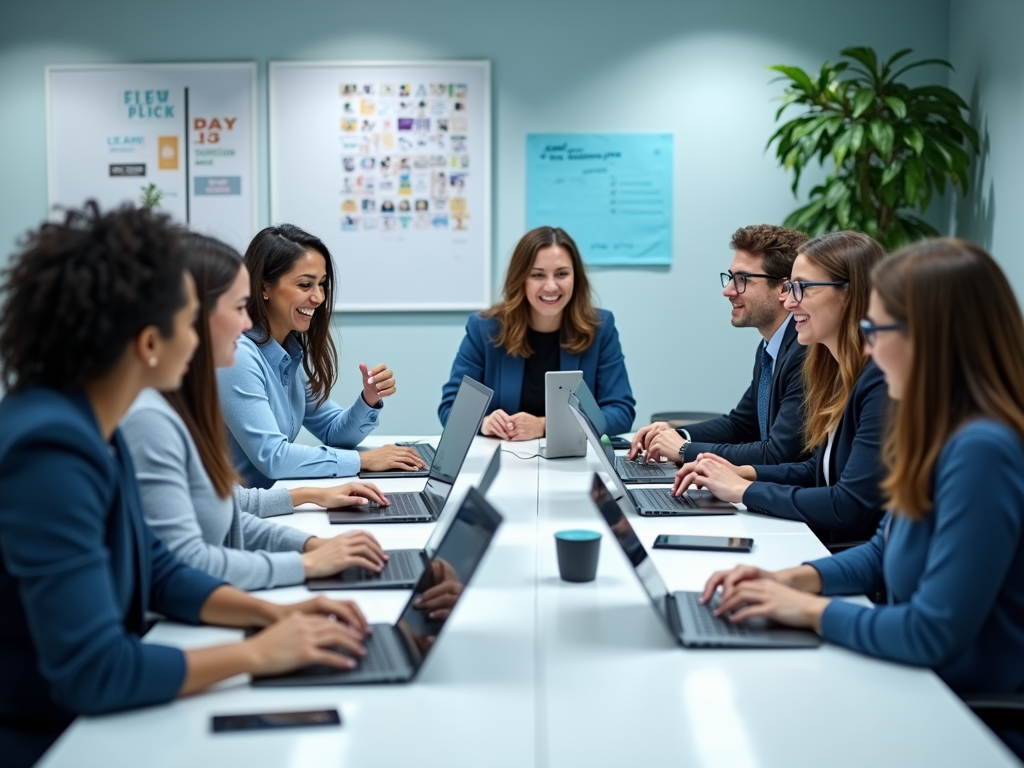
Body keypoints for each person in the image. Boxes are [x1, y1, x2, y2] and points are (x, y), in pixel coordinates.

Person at [0, 205, 370, 768]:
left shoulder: (95, 421)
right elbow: (95, 672)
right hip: (53, 741)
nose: (242, 327)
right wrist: (256, 654)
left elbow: (161, 567)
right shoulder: (49, 450)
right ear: (151, 341)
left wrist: (274, 618)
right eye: (194, 315)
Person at [701, 239, 1024, 758]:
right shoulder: (941, 432)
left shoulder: (982, 451)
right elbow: (883, 548)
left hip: (959, 719)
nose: (868, 349)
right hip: (911, 687)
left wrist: (803, 608)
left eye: (878, 331)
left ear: (933, 338)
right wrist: (786, 580)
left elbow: (929, 632)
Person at [122, 233, 393, 591]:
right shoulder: (156, 412)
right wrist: (305, 561)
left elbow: (225, 511)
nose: (246, 323)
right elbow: (186, 564)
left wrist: (310, 534)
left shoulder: (285, 352)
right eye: (237, 307)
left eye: (322, 285)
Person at [673, 231, 888, 545]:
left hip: (846, 554)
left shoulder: (878, 383)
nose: (788, 301)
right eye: (789, 288)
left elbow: (847, 505)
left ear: (849, 295)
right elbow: (819, 470)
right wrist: (743, 472)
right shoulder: (833, 371)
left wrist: (742, 489)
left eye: (800, 288)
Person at [218, 224, 425, 489]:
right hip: (240, 518)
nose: (318, 297)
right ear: (263, 288)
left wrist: (369, 400)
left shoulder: (287, 354)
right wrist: (363, 461)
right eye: (305, 284)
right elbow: (273, 457)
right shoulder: (239, 356)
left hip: (270, 507)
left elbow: (333, 431)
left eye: (322, 284)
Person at [630, 225, 809, 465]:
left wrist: (684, 450)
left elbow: (777, 454)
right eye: (731, 278)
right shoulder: (770, 348)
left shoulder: (804, 352)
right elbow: (742, 424)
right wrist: (677, 435)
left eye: (742, 279)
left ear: (784, 289)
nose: (728, 291)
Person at [439, 226, 635, 439]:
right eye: (537, 275)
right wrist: (484, 423)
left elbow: (621, 412)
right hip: (504, 458)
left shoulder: (600, 327)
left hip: (573, 463)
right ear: (520, 280)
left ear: (575, 278)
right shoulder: (484, 328)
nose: (551, 286)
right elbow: (451, 409)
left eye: (561, 274)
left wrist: (546, 425)